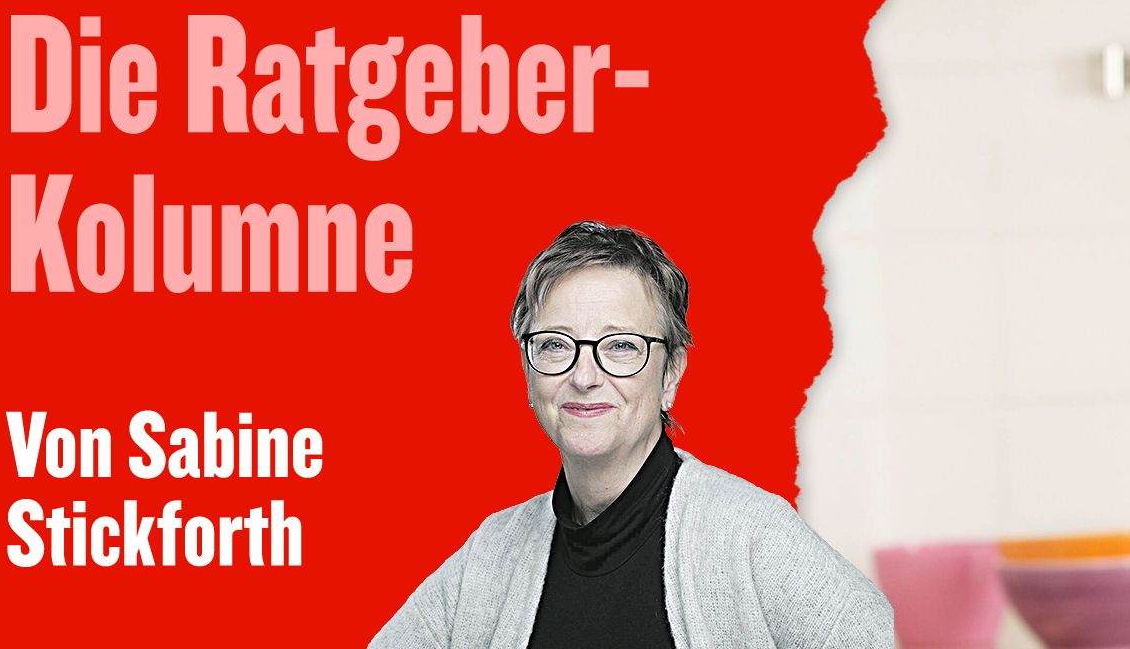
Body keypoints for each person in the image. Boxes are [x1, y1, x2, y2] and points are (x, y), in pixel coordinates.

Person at [374, 222, 891, 648]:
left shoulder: (749, 534)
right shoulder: (493, 554)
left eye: (620, 346)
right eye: (556, 345)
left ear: (671, 374)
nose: (584, 376)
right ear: (528, 368)